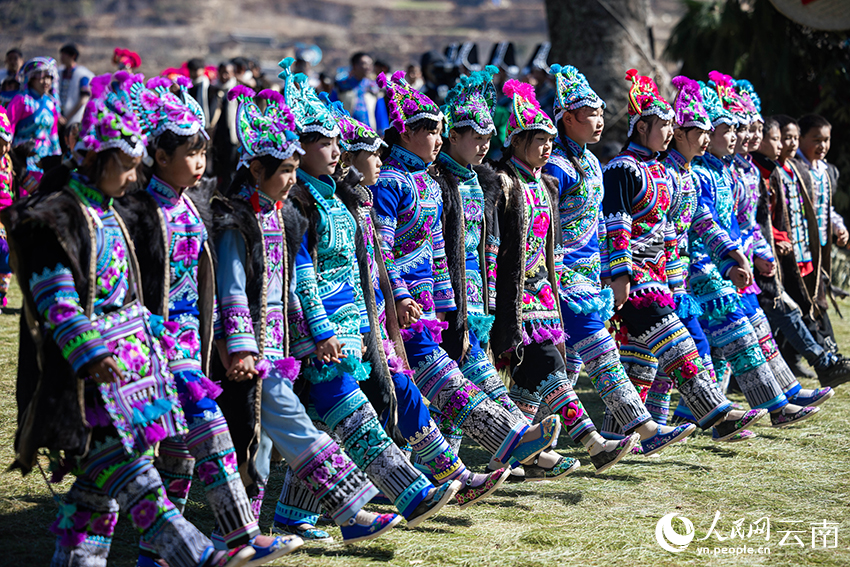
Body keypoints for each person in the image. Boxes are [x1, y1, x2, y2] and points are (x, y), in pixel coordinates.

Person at [4, 72, 254, 567]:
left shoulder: (111, 213)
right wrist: (92, 352)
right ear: (101, 159)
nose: (134, 173)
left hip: (132, 371)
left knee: (94, 501)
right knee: (139, 479)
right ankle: (198, 553)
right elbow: (55, 300)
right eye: (126, 163)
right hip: (88, 380)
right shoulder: (59, 216)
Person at [115, 75, 302, 566]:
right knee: (211, 433)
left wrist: (220, 338)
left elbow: (209, 287)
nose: (200, 163)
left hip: (188, 348)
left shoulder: (192, 207)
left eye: (203, 153)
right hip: (150, 349)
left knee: (177, 457)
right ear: (159, 155)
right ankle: (241, 535)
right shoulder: (135, 214)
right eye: (190, 154)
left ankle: (157, 554)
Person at [277, 59, 462, 533]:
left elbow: (358, 272)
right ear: (299, 148)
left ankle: (296, 512)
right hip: (313, 333)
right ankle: (406, 492)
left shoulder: (334, 197)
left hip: (349, 328)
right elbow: (303, 275)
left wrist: (365, 325)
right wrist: (321, 331)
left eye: (337, 143)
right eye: (325, 143)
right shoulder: (299, 203)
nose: (336, 152)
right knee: (353, 416)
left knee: (329, 423)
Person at [373, 70, 561, 473]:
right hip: (402, 307)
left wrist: (449, 306)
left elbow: (441, 253)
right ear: (404, 133)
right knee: (442, 385)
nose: (438, 140)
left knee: (471, 378)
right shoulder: (395, 182)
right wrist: (402, 297)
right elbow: (383, 253)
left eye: (441, 130)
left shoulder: (431, 181)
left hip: (450, 305)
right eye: (433, 131)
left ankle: (454, 466)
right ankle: (483, 453)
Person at [541, 64, 717, 457]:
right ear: (568, 118)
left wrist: (608, 273)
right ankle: (646, 427)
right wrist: (620, 273)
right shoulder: (559, 167)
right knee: (599, 356)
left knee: (558, 368)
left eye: (603, 113)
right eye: (592, 114)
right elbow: (549, 229)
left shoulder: (588, 163)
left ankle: (530, 447)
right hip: (561, 278)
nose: (601, 121)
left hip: (592, 278)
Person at [600, 70, 734, 442]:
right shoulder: (622, 168)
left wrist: (673, 282)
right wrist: (621, 277)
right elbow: (617, 225)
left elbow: (672, 230)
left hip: (658, 276)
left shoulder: (660, 170)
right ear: (641, 127)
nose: (671, 130)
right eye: (664, 124)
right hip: (633, 278)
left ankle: (618, 436)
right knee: (677, 342)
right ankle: (714, 410)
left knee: (640, 361)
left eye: (673, 124)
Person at [688, 81, 829, 426]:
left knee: (735, 339)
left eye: (746, 128)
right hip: (701, 267)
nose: (739, 137)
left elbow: (746, 222)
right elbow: (704, 222)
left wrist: (757, 253)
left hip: (732, 264)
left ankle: (737, 409)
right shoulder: (702, 171)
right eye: (730, 129)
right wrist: (735, 256)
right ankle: (776, 405)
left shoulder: (735, 171)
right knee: (735, 334)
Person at [750, 114, 850, 389]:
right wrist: (773, 242)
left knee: (795, 309)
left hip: (798, 251)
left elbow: (813, 212)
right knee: (779, 313)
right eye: (781, 138)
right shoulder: (759, 172)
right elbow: (761, 217)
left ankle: (821, 361)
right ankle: (821, 362)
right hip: (758, 255)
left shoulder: (797, 171)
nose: (787, 143)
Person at [6, 57, 62, 190]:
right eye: (42, 78)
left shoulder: (50, 104)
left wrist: (57, 160)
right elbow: (7, 129)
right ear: (31, 78)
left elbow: (53, 135)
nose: (46, 82)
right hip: (24, 158)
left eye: (49, 77)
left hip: (45, 159)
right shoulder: (21, 101)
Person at [332, 52, 388, 132]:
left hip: (369, 132)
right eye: (364, 64)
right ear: (355, 66)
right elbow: (332, 107)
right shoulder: (341, 86)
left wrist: (382, 132)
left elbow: (380, 112)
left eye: (370, 64)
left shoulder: (374, 87)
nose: (368, 67)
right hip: (346, 131)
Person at [57, 43, 94, 126]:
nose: (61, 58)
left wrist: (67, 117)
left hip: (75, 119)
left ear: (73, 56)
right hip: (58, 117)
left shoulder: (82, 75)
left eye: (64, 55)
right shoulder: (58, 73)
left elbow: (83, 99)